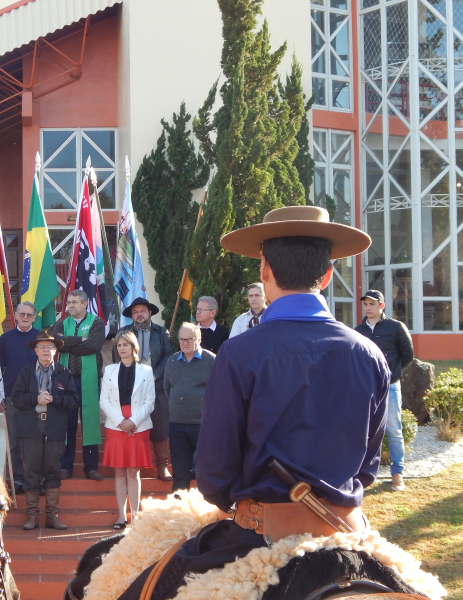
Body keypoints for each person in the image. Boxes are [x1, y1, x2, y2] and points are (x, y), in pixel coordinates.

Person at [118, 205, 389, 600]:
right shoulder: (370, 354)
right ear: (328, 274)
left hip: (258, 538)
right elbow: (367, 468)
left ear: (263, 270)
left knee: (135, 589)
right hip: (345, 533)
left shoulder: (239, 353)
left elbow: (214, 473)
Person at [11, 331, 78, 530]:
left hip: (54, 427)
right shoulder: (26, 372)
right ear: (36, 351)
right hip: (30, 428)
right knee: (31, 470)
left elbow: (73, 401)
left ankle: (52, 516)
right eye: (42, 347)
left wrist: (54, 399)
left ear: (56, 351)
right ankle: (32, 516)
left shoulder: (64, 373)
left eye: (50, 347)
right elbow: (16, 398)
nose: (46, 350)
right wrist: (35, 399)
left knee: (53, 470)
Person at [354, 289, 414, 492]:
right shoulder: (358, 331)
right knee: (366, 431)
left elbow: (407, 355)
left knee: (394, 430)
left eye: (372, 304)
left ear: (382, 305)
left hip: (390, 386)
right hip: (367, 387)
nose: (368, 307)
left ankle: (397, 474)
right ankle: (364, 474)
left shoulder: (396, 327)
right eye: (365, 304)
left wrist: (392, 374)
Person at [113, 297, 174, 481]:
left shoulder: (162, 332)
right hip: (131, 388)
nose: (139, 315)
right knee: (134, 424)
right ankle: (133, 466)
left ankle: (162, 466)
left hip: (156, 385)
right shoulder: (123, 332)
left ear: (150, 313)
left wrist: (154, 375)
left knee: (160, 426)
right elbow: (117, 356)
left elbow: (169, 356)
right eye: (135, 312)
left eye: (142, 311)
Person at [100, 331, 155, 529]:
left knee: (133, 471)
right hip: (116, 424)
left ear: (134, 347)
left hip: (138, 424)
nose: (122, 348)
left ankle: (136, 516)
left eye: (126, 345)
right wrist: (120, 421)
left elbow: (150, 401)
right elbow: (104, 400)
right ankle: (121, 516)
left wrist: (133, 421)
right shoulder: (109, 370)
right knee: (119, 472)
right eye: (119, 345)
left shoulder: (146, 371)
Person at [51, 289, 106, 481]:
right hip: (66, 381)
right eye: (68, 302)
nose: (70, 306)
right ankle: (66, 466)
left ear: (84, 304)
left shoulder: (97, 322)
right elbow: (57, 343)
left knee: (90, 420)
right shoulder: (61, 323)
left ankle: (91, 467)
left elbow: (93, 346)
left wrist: (68, 343)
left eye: (74, 302)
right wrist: (81, 339)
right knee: (68, 422)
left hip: (89, 378)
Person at [163, 323, 216, 492]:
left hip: (203, 425)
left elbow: (220, 391)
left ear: (199, 339)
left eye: (189, 339)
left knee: (206, 471)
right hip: (177, 425)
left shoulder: (211, 360)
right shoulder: (172, 361)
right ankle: (179, 506)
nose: (184, 343)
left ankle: (207, 506)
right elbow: (167, 389)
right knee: (180, 474)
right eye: (181, 339)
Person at [0, 301, 41, 494]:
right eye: (22, 314)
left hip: (36, 398)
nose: (25, 317)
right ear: (15, 315)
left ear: (34, 317)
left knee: (35, 441)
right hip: (12, 397)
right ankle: (17, 479)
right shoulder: (5, 339)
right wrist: (0, 396)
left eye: (29, 315)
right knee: (14, 441)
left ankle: (36, 479)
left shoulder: (40, 338)